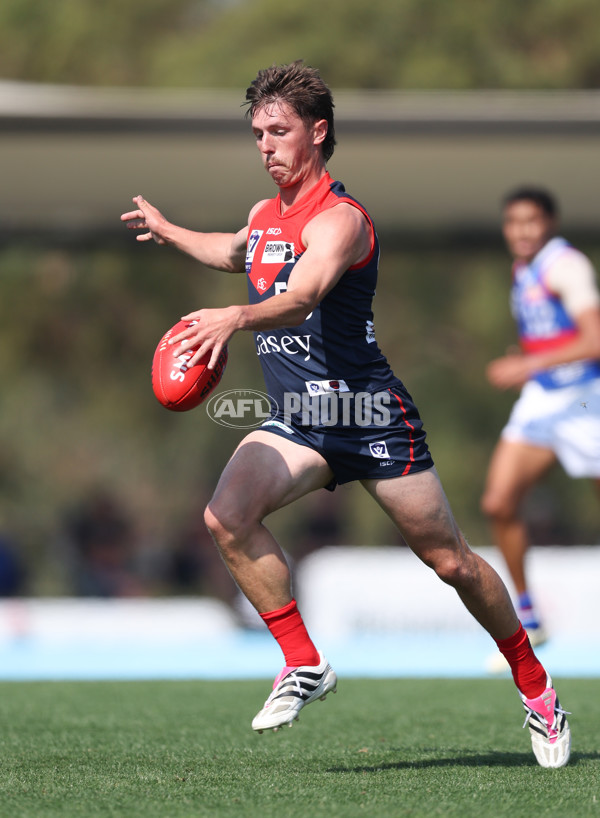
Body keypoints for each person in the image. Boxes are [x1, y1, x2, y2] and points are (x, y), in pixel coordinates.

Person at [121, 62, 570, 767]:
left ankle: (537, 688)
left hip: (370, 418)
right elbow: (234, 252)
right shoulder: (264, 216)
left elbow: (302, 295)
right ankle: (303, 662)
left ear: (318, 132)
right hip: (299, 419)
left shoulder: (342, 221)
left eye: (279, 131)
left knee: (450, 562)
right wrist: (168, 228)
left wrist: (237, 315)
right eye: (257, 134)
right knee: (224, 515)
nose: (266, 146)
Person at [482, 187, 600, 657]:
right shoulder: (522, 269)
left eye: (531, 221)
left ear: (549, 223)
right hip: (543, 400)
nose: (522, 231)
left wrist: (528, 365)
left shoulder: (565, 265)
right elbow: (550, 333)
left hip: (585, 401)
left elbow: (594, 339)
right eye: (513, 222)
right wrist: (530, 362)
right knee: (498, 503)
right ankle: (528, 620)